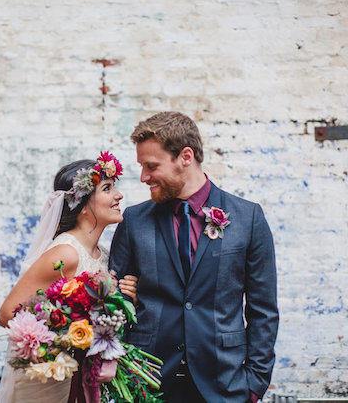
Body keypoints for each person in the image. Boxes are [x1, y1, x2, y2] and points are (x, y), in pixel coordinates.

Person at [110, 112, 279, 403]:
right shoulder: (134, 220)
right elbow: (111, 302)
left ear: (185, 157)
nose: (143, 177)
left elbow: (263, 310)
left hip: (226, 384)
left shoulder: (247, 217)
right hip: (149, 382)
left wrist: (254, 383)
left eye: (151, 166)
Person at [0, 153, 137, 403]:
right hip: (51, 381)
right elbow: (7, 314)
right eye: (107, 188)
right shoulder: (66, 253)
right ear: (83, 206)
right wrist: (67, 334)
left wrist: (126, 299)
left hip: (81, 376)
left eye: (115, 187)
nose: (118, 195)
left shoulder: (102, 254)